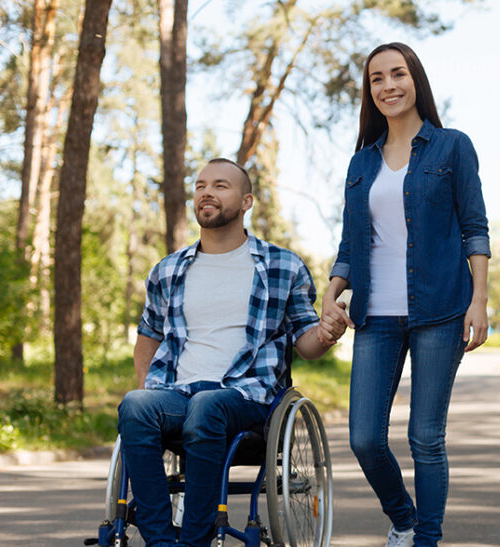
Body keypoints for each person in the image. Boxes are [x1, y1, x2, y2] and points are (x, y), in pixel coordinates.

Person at [118, 158, 345, 547]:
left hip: (247, 395)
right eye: (201, 186)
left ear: (246, 201)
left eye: (221, 186)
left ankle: (194, 541)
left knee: (208, 405)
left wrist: (326, 335)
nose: (207, 192)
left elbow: (305, 343)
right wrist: (148, 390)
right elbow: (149, 336)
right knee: (136, 405)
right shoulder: (167, 270)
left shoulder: (282, 266)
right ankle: (160, 541)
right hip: (178, 393)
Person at [318, 42, 490, 547]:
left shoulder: (452, 146)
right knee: (365, 439)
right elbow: (352, 243)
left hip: (440, 308)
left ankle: (425, 541)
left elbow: (474, 228)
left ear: (416, 79)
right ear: (369, 91)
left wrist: (479, 299)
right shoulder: (360, 164)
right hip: (374, 313)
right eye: (377, 79)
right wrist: (331, 294)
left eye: (398, 74)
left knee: (425, 439)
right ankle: (406, 519)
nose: (388, 86)